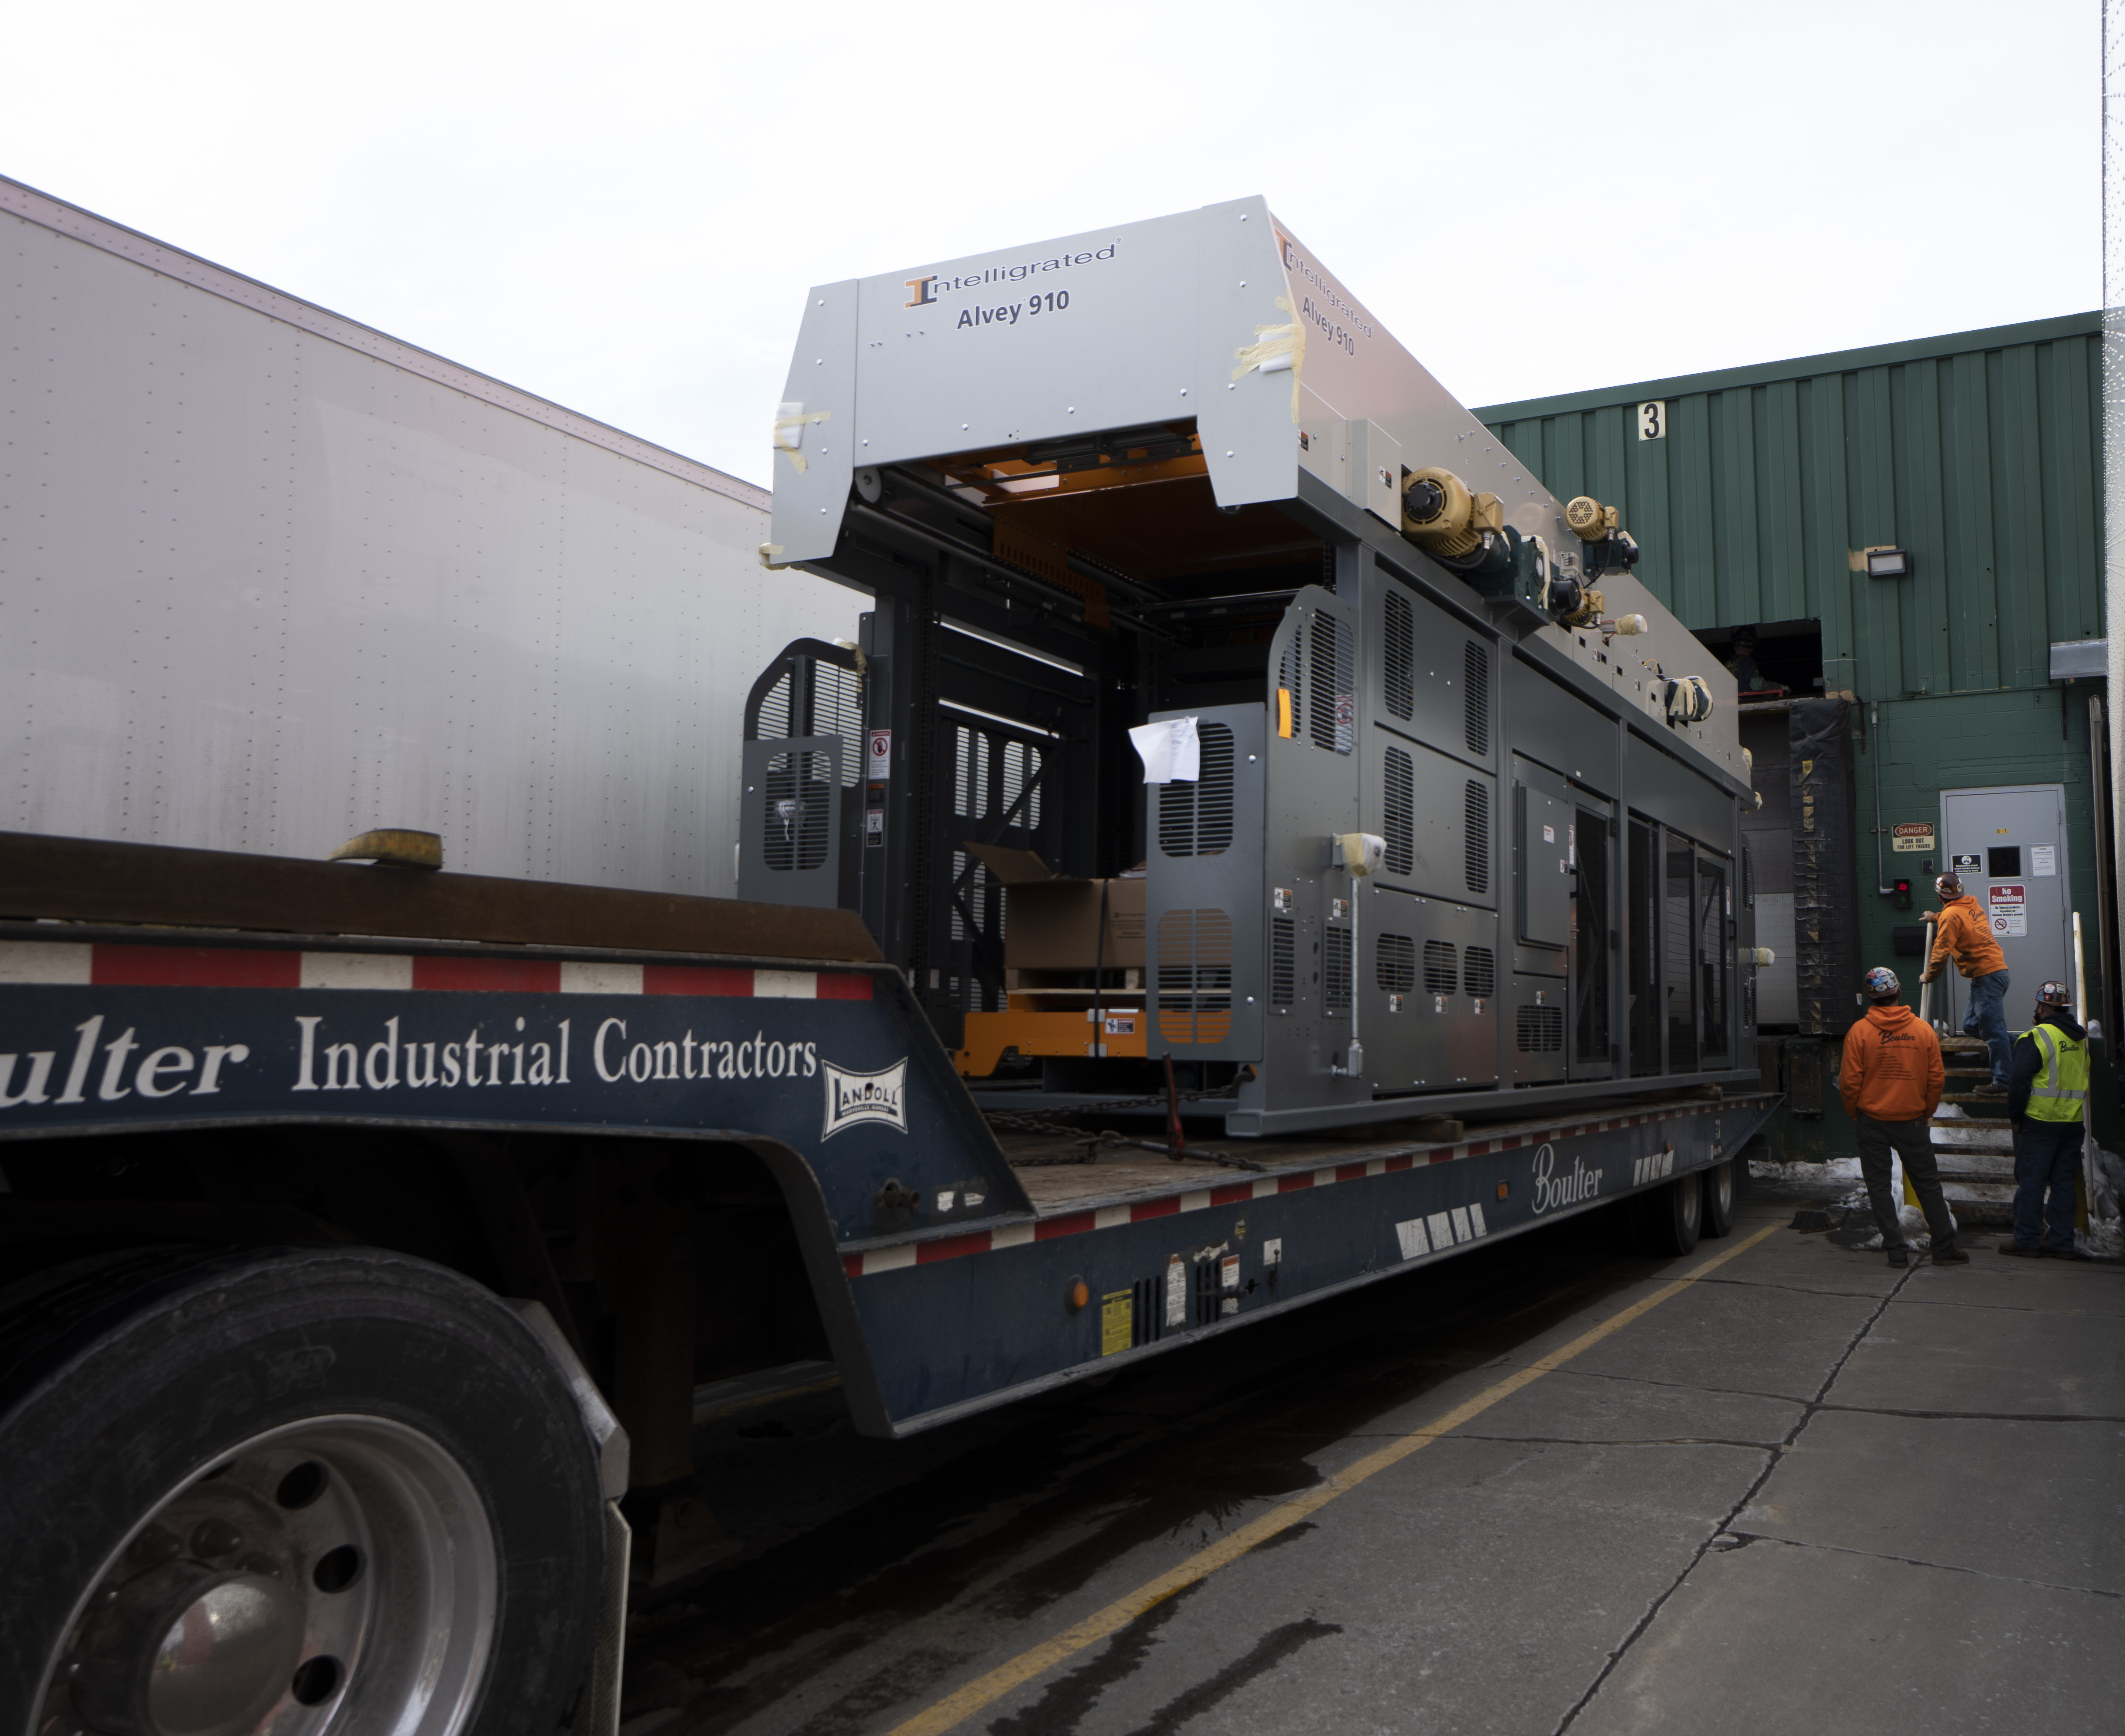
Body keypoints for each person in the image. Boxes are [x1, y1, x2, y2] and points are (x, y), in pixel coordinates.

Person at [1840, 966, 1967, 1266]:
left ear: (1872, 998)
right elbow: (1936, 1079)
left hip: (1871, 1121)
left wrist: (1856, 1115)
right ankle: (1945, 1248)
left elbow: (1849, 1083)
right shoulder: (1923, 1031)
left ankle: (1896, 1252)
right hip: (1911, 1121)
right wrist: (1925, 1113)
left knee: (1880, 1188)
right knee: (1927, 1185)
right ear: (1898, 993)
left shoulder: (1859, 1032)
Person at [2000, 980, 2095, 1261]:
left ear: (2042, 1007)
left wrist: (2015, 1119)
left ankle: (2027, 1240)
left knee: (2032, 1183)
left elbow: (2018, 1083)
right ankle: (2062, 1243)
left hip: (2039, 1123)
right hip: (2071, 1125)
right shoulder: (2079, 1040)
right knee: (2064, 1185)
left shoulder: (2036, 1037)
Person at [1920, 872, 2010, 1095]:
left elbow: (1940, 953)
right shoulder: (1971, 905)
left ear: (1940, 896)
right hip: (1990, 975)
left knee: (1994, 1033)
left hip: (1987, 976)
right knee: (1970, 1025)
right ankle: (2019, 1046)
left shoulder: (1951, 916)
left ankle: (2003, 1081)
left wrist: (1929, 977)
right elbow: (1951, 916)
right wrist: (1934, 917)